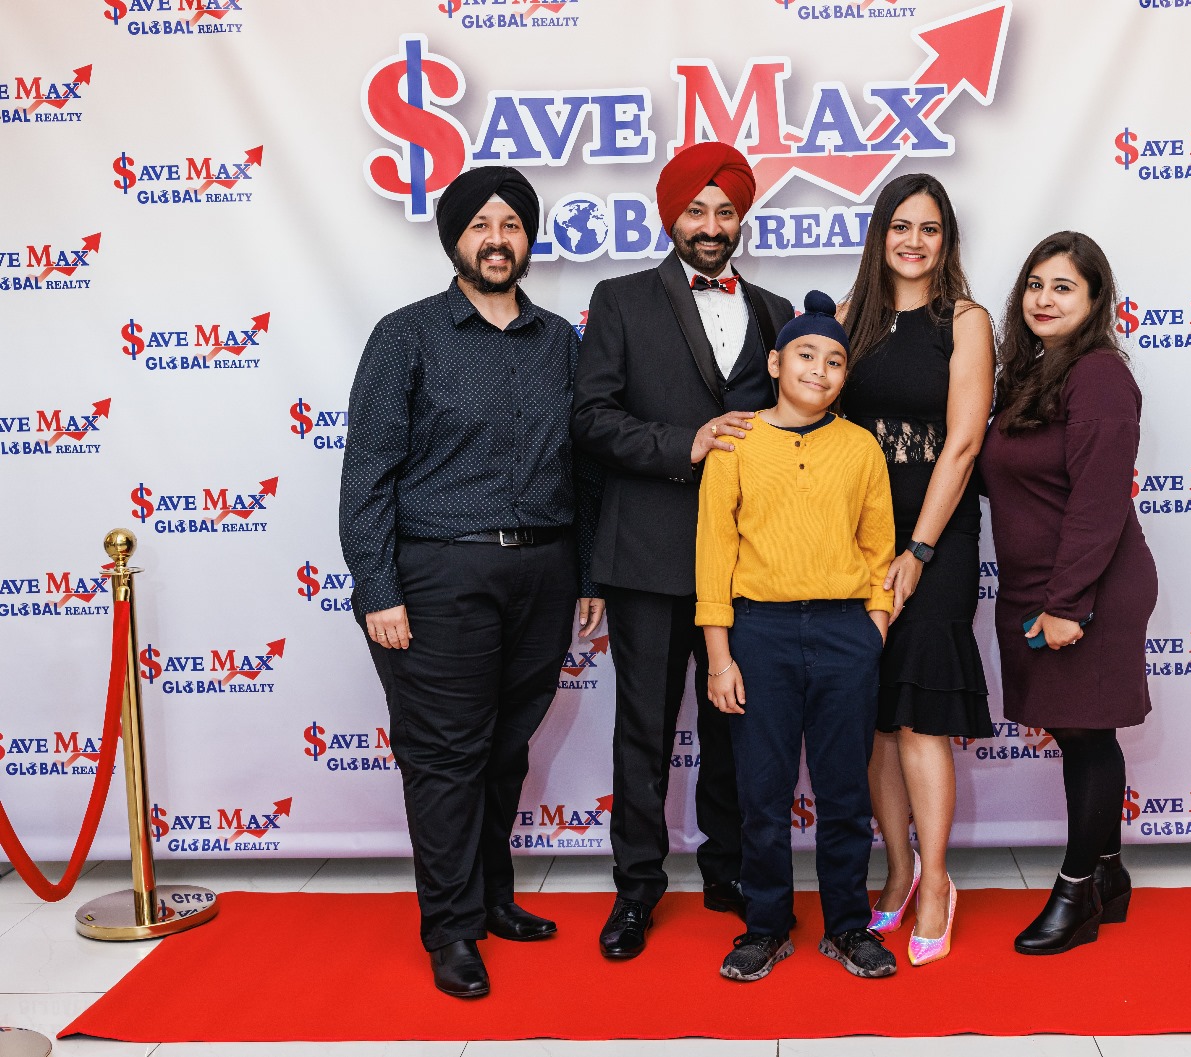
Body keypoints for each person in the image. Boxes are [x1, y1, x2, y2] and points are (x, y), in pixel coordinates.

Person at [340, 166, 605, 998]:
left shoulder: (561, 340)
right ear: (455, 237)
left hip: (542, 571)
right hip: (439, 572)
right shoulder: (406, 336)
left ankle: (493, 898)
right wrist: (377, 587)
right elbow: (367, 471)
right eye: (481, 225)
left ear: (529, 239)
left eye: (512, 225)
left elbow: (584, 467)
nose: (497, 239)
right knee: (446, 755)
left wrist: (588, 571)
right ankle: (451, 929)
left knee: (503, 748)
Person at [573, 141, 795, 959]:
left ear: (741, 220)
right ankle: (636, 889)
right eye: (696, 210)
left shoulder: (775, 310)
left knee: (738, 725)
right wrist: (685, 442)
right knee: (645, 728)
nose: (710, 225)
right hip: (651, 553)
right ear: (671, 216)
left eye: (725, 212)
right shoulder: (621, 299)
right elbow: (591, 418)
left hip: (751, 561)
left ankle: (728, 869)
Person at [697, 290, 899, 982]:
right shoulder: (736, 442)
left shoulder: (860, 446)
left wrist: (872, 628)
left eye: (834, 361)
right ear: (776, 363)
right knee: (762, 793)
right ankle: (765, 925)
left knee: (845, 792)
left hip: (846, 632)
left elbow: (878, 546)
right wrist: (720, 656)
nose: (819, 369)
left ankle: (847, 924)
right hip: (761, 633)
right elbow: (714, 552)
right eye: (806, 355)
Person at [977, 231, 1158, 956]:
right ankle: (1109, 872)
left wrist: (1067, 604)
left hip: (1089, 587)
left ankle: (1075, 890)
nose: (1044, 299)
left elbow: (1098, 499)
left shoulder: (1100, 375)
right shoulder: (1033, 374)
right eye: (1035, 284)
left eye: (1063, 287)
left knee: (1086, 733)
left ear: (1094, 300)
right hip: (1038, 584)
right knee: (1079, 730)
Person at [836, 172, 994, 966]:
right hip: (858, 538)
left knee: (921, 715)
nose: (914, 240)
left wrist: (919, 551)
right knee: (876, 715)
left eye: (929, 228)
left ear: (946, 240)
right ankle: (896, 870)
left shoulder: (965, 320)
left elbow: (962, 444)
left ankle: (937, 882)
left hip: (937, 539)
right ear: (880, 233)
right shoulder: (848, 318)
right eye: (901, 225)